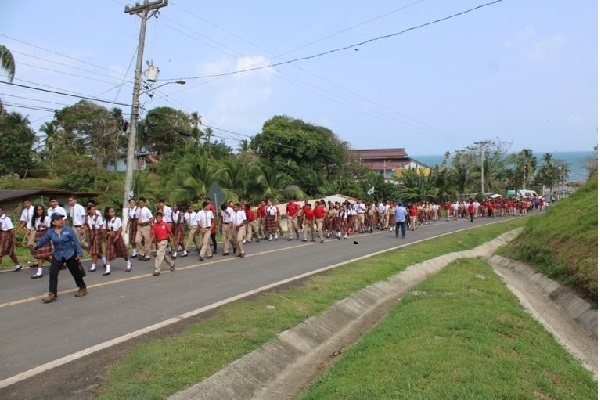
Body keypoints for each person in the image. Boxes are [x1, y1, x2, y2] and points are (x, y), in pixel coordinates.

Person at [32, 212, 87, 303]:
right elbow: (44, 239)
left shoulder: (68, 229)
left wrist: (79, 254)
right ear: (53, 222)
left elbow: (76, 242)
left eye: (61, 219)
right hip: (57, 255)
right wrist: (37, 245)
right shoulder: (50, 231)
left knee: (75, 272)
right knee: (53, 272)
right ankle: (52, 294)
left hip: (70, 253)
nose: (61, 221)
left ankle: (82, 287)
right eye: (58, 219)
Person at [104, 207, 131, 275]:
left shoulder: (118, 219)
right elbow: (104, 231)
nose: (113, 213)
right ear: (107, 213)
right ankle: (107, 270)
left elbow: (120, 228)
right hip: (110, 237)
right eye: (111, 212)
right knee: (108, 253)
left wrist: (117, 236)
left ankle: (128, 264)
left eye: (113, 211)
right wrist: (108, 233)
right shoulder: (106, 221)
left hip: (117, 236)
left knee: (123, 251)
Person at [150, 211, 175, 276]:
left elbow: (170, 232)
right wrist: (150, 242)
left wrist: (173, 239)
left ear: (161, 218)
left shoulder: (165, 224)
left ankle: (157, 269)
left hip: (164, 241)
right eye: (157, 217)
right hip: (158, 242)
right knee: (163, 256)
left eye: (159, 217)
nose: (158, 218)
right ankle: (171, 264)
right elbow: (153, 235)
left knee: (159, 255)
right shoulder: (155, 225)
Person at [30, 205, 52, 279]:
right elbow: (32, 228)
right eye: (38, 210)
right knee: (41, 255)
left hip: (45, 235)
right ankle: (39, 272)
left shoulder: (46, 218)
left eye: (41, 210)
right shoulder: (34, 219)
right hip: (37, 236)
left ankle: (39, 272)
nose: (40, 211)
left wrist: (45, 226)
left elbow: (51, 228)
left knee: (44, 255)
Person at [0, 206, 23, 271]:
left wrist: (14, 239)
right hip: (1, 236)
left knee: (0, 252)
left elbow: (11, 230)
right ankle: (18, 265)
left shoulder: (6, 219)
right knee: (10, 252)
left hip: (6, 237)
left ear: (2, 211)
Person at [85, 204, 105, 272]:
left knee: (94, 252)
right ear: (89, 210)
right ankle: (105, 261)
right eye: (92, 209)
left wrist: (103, 236)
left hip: (97, 234)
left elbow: (101, 227)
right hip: (91, 234)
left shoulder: (98, 217)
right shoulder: (86, 217)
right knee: (96, 251)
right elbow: (86, 226)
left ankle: (93, 266)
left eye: (94, 209)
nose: (94, 211)